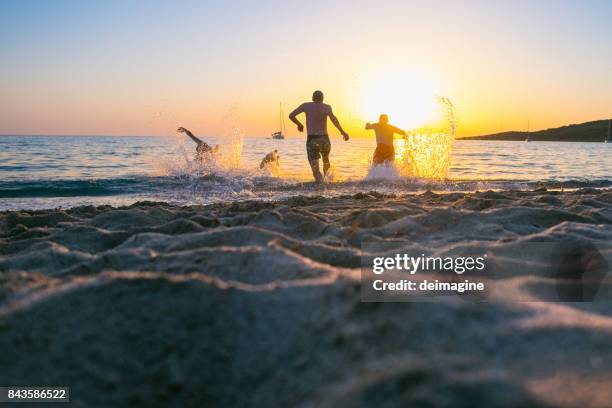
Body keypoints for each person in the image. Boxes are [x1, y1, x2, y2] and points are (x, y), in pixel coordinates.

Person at [289, 90, 349, 183]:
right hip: (325, 139)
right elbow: (334, 120)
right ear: (323, 98)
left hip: (312, 140)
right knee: (326, 161)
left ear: (313, 98)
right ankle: (328, 183)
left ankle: (321, 185)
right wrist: (343, 132)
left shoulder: (306, 105)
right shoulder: (327, 107)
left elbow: (291, 115)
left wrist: (299, 125)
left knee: (315, 170)